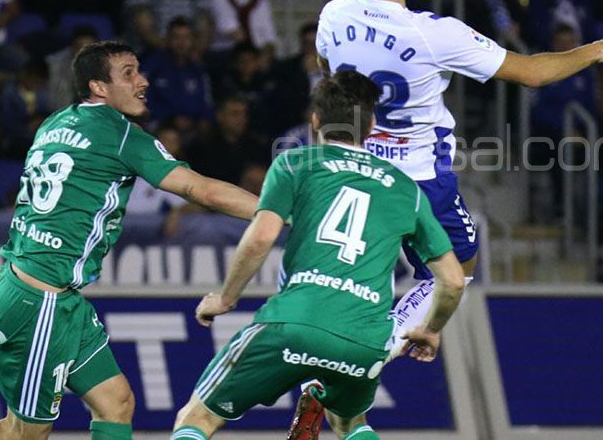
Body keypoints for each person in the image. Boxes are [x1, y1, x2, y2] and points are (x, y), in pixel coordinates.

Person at [315, 0, 603, 364]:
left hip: (356, 167)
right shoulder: (437, 34)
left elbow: (329, 76)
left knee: (353, 277)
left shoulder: (333, 15)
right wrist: (594, 50)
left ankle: (333, 356)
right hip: (420, 181)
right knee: (456, 271)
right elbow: (532, 73)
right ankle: (377, 351)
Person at [0, 41, 259, 440]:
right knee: (23, 433)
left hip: (53, 295)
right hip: (39, 301)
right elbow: (201, 190)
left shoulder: (56, 121)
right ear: (98, 87)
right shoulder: (121, 136)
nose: (143, 81)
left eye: (139, 70)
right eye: (129, 73)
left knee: (116, 401)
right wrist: (276, 212)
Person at [169, 70, 466, 440]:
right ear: (371, 126)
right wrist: (430, 329)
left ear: (315, 121)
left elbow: (261, 238)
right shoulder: (407, 190)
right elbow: (454, 280)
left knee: (196, 418)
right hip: (364, 341)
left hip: (293, 324)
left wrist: (225, 299)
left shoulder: (295, 163)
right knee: (350, 423)